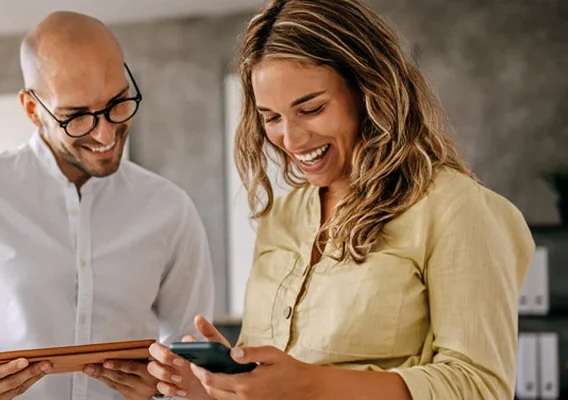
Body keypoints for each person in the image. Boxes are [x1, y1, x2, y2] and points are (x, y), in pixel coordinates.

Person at [146, 0, 535, 399]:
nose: (291, 140)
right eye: (271, 118)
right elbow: (272, 385)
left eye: (311, 109)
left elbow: (480, 385)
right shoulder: (283, 215)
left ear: (369, 91)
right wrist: (214, 384)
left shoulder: (456, 208)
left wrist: (309, 384)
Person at [0, 10, 216, 400]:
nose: (105, 133)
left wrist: (168, 384)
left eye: (118, 103)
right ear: (32, 109)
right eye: (76, 117)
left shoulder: (171, 209)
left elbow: (191, 352)